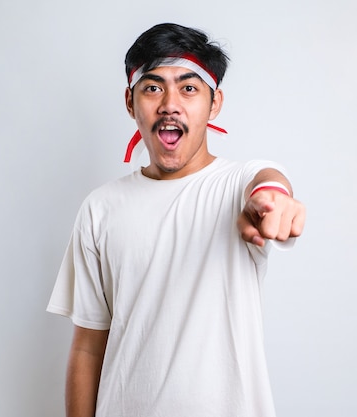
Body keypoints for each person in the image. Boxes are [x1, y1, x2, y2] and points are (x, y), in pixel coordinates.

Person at [47, 23, 306, 417]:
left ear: (214, 102)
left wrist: (272, 199)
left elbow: (267, 181)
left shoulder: (235, 185)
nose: (170, 103)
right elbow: (87, 345)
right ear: (130, 102)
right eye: (152, 88)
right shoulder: (100, 208)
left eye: (188, 87)